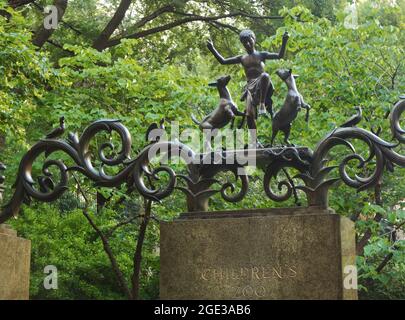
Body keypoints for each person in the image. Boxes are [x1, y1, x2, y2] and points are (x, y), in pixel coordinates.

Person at [207, 30, 289, 131]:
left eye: (249, 41)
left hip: (261, 83)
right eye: (244, 43)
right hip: (250, 87)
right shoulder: (242, 58)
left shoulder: (261, 55)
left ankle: (262, 104)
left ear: (254, 40)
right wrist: (212, 48)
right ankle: (254, 141)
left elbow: (280, 55)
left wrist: (284, 40)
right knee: (249, 115)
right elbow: (223, 61)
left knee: (265, 75)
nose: (247, 44)